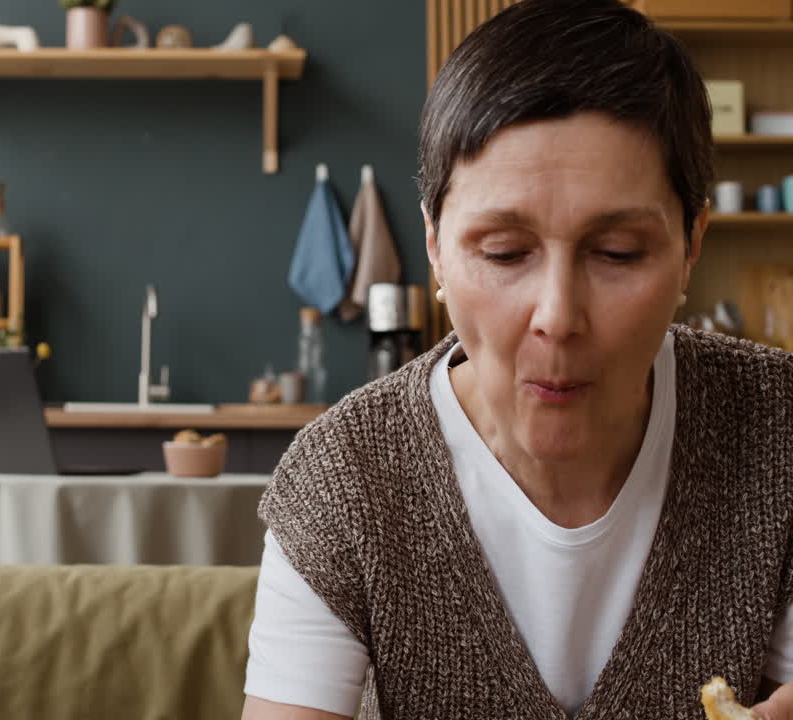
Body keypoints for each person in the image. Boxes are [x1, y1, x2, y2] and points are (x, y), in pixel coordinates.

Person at [241, 1, 793, 718]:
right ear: (435, 245)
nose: (557, 317)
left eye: (617, 253)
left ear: (692, 244)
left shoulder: (778, 436)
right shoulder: (345, 481)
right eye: (504, 253)